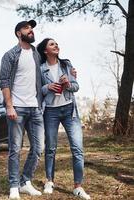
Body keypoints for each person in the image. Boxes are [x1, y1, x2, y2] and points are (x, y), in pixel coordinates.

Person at [37, 38, 91, 200]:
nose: (56, 46)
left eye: (57, 44)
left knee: (77, 148)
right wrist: (47, 87)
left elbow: (76, 87)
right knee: (51, 148)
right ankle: (49, 181)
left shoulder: (66, 65)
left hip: (70, 111)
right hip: (51, 112)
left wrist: (68, 83)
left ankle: (78, 186)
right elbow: (36, 91)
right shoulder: (40, 69)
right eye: (52, 44)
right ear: (45, 51)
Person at [0, 20, 44, 200]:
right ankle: (13, 186)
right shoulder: (10, 55)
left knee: (38, 148)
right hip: (17, 108)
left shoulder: (37, 54)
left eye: (31, 28)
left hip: (35, 108)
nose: (31, 30)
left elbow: (48, 69)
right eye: (26, 28)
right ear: (19, 33)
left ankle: (25, 182)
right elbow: (4, 82)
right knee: (15, 149)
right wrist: (9, 106)